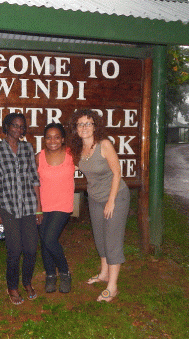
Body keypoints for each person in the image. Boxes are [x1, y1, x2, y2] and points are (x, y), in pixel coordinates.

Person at [68, 109, 130, 302]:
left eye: (89, 123)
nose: (85, 127)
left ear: (95, 126)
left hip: (116, 196)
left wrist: (111, 201)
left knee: (112, 240)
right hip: (94, 197)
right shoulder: (79, 149)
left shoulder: (104, 144)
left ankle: (113, 286)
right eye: (80, 124)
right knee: (100, 237)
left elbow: (117, 172)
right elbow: (67, 165)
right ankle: (104, 274)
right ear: (75, 128)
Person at [0, 113, 42, 305]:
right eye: (14, 126)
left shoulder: (28, 148)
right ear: (6, 126)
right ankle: (12, 286)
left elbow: (34, 178)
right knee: (14, 250)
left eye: (21, 127)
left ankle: (27, 282)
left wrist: (39, 207)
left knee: (30, 249)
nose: (18, 130)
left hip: (28, 206)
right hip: (8, 207)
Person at [36, 123, 74, 293]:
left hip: (63, 204)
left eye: (57, 137)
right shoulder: (39, 157)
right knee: (44, 241)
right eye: (49, 137)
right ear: (44, 140)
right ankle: (50, 275)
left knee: (50, 239)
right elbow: (33, 182)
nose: (53, 140)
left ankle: (65, 272)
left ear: (63, 139)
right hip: (43, 205)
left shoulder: (71, 155)